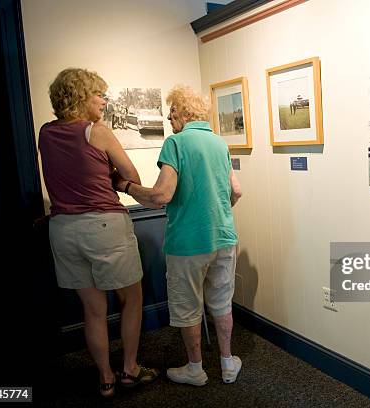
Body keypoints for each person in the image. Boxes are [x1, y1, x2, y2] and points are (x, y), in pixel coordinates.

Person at [38, 68, 159, 398]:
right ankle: (129, 370)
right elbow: (130, 174)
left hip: (63, 230)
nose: (104, 101)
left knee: (92, 309)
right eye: (99, 95)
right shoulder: (97, 131)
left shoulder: (46, 132)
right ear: (80, 96)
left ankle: (105, 379)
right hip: (103, 225)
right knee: (131, 298)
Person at [116, 85, 243, 386]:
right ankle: (227, 363)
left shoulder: (176, 143)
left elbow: (161, 195)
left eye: (172, 111)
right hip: (224, 237)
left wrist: (126, 187)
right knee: (222, 302)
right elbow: (236, 191)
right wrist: (218, 210)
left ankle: (195, 369)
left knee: (188, 307)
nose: (170, 117)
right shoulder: (218, 143)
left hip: (188, 243)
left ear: (185, 114)